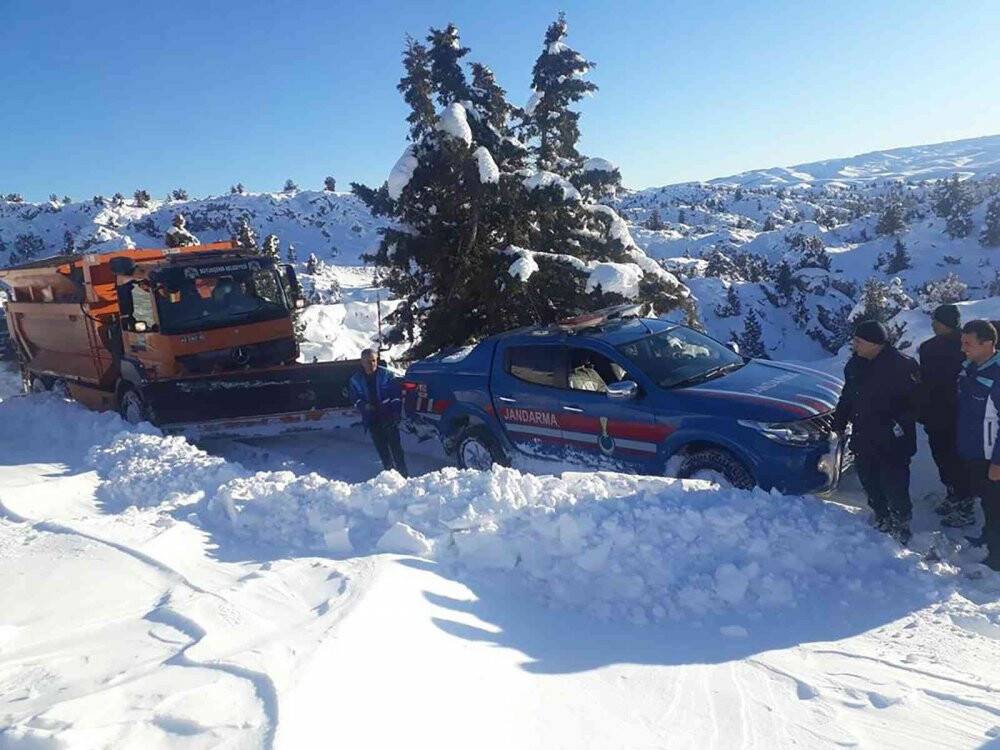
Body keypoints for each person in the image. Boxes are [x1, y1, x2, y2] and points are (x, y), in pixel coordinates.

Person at [832, 320, 920, 543]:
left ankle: (901, 522)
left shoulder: (903, 366)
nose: (854, 344)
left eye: (859, 341)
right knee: (869, 478)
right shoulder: (855, 365)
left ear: (875, 343)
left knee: (894, 482)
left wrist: (895, 424)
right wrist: (839, 423)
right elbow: (848, 396)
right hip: (864, 435)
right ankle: (881, 515)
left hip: (893, 439)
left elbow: (916, 404)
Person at [917, 304, 972, 526]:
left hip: (940, 411)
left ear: (943, 323)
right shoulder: (968, 345)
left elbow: (926, 382)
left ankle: (962, 503)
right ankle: (957, 497)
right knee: (955, 457)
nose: (932, 324)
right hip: (962, 412)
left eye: (936, 321)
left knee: (946, 457)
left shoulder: (931, 348)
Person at [955, 320, 1000, 571]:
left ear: (988, 344)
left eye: (968, 343)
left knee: (997, 507)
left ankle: (997, 559)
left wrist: (998, 461)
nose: (963, 348)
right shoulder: (971, 368)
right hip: (974, 452)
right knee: (988, 503)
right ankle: (990, 538)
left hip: (992, 456)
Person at [349, 348, 408, 477]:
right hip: (372, 418)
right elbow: (354, 398)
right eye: (368, 362)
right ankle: (390, 475)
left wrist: (396, 413)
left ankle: (404, 475)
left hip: (388, 416)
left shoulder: (387, 375)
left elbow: (396, 396)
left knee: (396, 447)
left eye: (374, 361)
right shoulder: (356, 379)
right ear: (362, 362)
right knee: (382, 449)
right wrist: (364, 405)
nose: (372, 364)